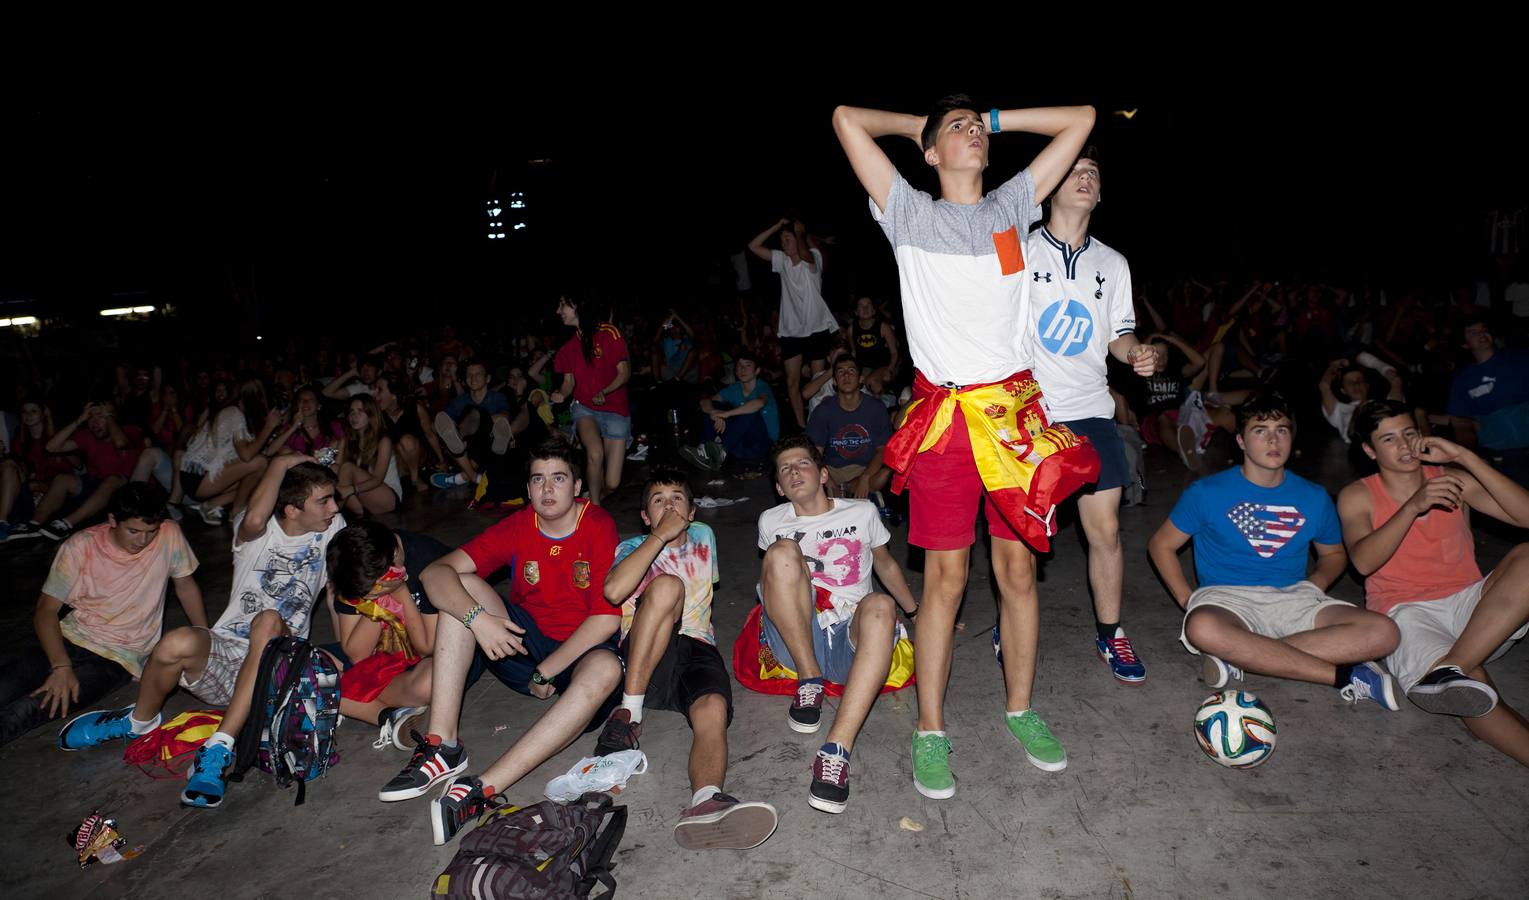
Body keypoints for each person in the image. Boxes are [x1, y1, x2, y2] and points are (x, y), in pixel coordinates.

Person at [832, 94, 1099, 797]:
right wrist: (920, 124)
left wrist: (996, 118)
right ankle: (930, 730)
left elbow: (1082, 119)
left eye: (976, 128)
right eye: (958, 129)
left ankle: (1020, 709)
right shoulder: (907, 210)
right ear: (929, 153)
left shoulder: (1014, 205)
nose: (972, 133)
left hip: (1012, 420)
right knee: (944, 583)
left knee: (1016, 575)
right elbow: (843, 119)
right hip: (945, 423)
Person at [58, 458, 344, 809]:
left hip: (279, 667)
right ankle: (138, 721)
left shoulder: (333, 528)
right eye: (324, 500)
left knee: (268, 621)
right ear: (291, 509)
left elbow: (335, 592)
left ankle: (219, 748)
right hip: (229, 656)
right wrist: (281, 461)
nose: (335, 506)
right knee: (176, 641)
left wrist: (346, 653)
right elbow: (255, 518)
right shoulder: (256, 532)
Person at [378, 439, 623, 847]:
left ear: (577, 487)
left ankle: (480, 790)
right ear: (527, 490)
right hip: (523, 645)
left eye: (558, 479)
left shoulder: (596, 524)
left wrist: (550, 669)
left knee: (607, 668)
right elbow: (436, 574)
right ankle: (442, 745)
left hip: (579, 654)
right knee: (463, 587)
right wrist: (478, 620)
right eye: (538, 480)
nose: (547, 489)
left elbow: (604, 619)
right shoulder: (518, 524)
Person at [1146, 395, 1401, 711]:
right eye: (1260, 430)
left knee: (1384, 632)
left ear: (1292, 437)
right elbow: (1161, 545)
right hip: (1227, 600)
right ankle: (1344, 675)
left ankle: (1242, 658)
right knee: (1201, 626)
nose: (1272, 439)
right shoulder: (1207, 492)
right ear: (1240, 440)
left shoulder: (1313, 496)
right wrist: (1188, 600)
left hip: (1293, 597)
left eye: (1281, 430)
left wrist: (1313, 585)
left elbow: (1334, 555)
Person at [1024, 148, 1159, 682]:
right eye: (1075, 171)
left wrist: (1137, 353)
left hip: (1091, 412)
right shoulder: (1018, 250)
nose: (1084, 178)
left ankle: (1111, 634)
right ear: (1053, 184)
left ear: (1100, 194)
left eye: (1093, 174)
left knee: (1104, 530)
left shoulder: (1113, 263)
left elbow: (1118, 336)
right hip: (1031, 416)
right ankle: (1013, 620)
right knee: (1026, 535)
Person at [591, 467, 778, 849]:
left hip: (696, 648)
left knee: (712, 708)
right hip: (645, 656)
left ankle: (706, 801)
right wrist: (658, 538)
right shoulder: (630, 549)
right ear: (646, 517)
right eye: (658, 502)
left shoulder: (704, 536)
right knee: (667, 586)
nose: (669, 506)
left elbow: (704, 596)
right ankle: (630, 712)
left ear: (692, 512)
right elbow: (612, 592)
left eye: (677, 499)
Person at [1337, 400, 1529, 765]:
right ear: (1369, 450)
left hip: (1474, 610)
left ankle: (1450, 667)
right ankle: (1457, 669)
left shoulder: (1450, 478)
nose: (1405, 445)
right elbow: (1362, 561)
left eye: (1410, 433)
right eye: (1389, 439)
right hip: (1407, 613)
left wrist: (1464, 456)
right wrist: (1412, 506)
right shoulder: (1358, 494)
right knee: (1475, 690)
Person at [755, 435, 917, 813]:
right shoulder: (771, 521)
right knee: (781, 552)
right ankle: (809, 678)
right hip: (797, 637)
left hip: (850, 638)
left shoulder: (861, 512)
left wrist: (916, 610)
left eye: (803, 463)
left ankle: (836, 752)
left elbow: (886, 564)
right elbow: (776, 583)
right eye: (785, 469)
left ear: (823, 473)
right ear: (779, 488)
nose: (795, 471)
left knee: (880, 603)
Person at [0, 483, 202, 746]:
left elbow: (185, 586)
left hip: (118, 656)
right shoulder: (81, 545)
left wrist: (205, 637)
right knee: (5, 686)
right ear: (112, 520)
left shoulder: (169, 534)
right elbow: (45, 612)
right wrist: (61, 665)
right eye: (133, 531)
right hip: (70, 636)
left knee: (27, 710)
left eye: (150, 532)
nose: (143, 540)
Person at [325, 522, 447, 749]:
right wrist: (379, 600)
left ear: (394, 557)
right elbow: (357, 655)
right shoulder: (357, 572)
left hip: (429, 654)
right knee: (299, 664)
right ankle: (388, 716)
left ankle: (334, 695)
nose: (366, 597)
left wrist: (401, 594)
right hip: (380, 658)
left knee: (432, 682)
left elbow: (426, 647)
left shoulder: (428, 562)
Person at [748, 218, 840, 429]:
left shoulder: (813, 256)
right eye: (781, 241)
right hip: (791, 331)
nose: (784, 243)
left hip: (817, 327)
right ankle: (801, 427)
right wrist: (775, 227)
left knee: (817, 382)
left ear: (798, 239)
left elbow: (807, 256)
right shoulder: (782, 261)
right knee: (792, 382)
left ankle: (819, 422)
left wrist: (798, 233)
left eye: (787, 239)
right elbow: (753, 246)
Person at [16, 401, 144, 543]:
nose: (94, 422)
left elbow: (120, 442)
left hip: (124, 489)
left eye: (100, 416)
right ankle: (34, 524)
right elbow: (51, 447)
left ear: (112, 417)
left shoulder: (131, 430)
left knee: (112, 479)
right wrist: (79, 420)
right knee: (62, 479)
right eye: (91, 417)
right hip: (94, 484)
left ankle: (65, 524)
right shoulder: (86, 435)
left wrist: (108, 416)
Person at [551, 296, 632, 506]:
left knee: (613, 483)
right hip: (584, 407)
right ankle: (594, 511)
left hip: (616, 409)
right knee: (595, 453)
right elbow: (569, 382)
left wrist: (605, 391)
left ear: (577, 305)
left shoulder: (609, 332)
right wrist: (562, 393)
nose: (558, 311)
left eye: (562, 305)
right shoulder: (567, 347)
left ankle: (597, 495)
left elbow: (624, 373)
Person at [805, 355, 894, 508]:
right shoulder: (823, 411)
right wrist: (829, 482)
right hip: (833, 470)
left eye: (851, 371)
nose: (846, 375)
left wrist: (865, 478)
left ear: (861, 379)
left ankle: (848, 497)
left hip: (866, 469)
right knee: (805, 473)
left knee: (886, 473)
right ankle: (853, 497)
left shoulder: (876, 408)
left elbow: (882, 450)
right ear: (834, 381)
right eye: (841, 372)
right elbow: (815, 454)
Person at [683, 352, 778, 469]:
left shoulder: (762, 387)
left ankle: (720, 451)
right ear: (736, 371)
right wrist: (713, 412)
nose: (743, 369)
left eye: (747, 365)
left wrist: (725, 414)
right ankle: (703, 450)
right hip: (737, 446)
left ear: (757, 371)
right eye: (739, 366)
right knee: (715, 406)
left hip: (762, 445)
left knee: (749, 411)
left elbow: (759, 403)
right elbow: (705, 401)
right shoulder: (734, 388)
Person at [334, 394, 401, 516]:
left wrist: (351, 489)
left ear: (371, 415)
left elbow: (377, 479)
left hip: (386, 496)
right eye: (351, 412)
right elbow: (336, 468)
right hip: (360, 499)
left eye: (360, 411)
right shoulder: (347, 439)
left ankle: (331, 513)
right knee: (334, 468)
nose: (354, 416)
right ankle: (340, 511)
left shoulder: (383, 440)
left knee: (347, 467)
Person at [845, 295, 901, 396]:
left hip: (885, 366)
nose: (865, 308)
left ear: (874, 310)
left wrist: (890, 369)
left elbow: (894, 352)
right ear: (856, 312)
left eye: (868, 305)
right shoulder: (851, 329)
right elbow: (853, 352)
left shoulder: (883, 327)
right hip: (864, 367)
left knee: (872, 381)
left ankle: (880, 407)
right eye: (861, 306)